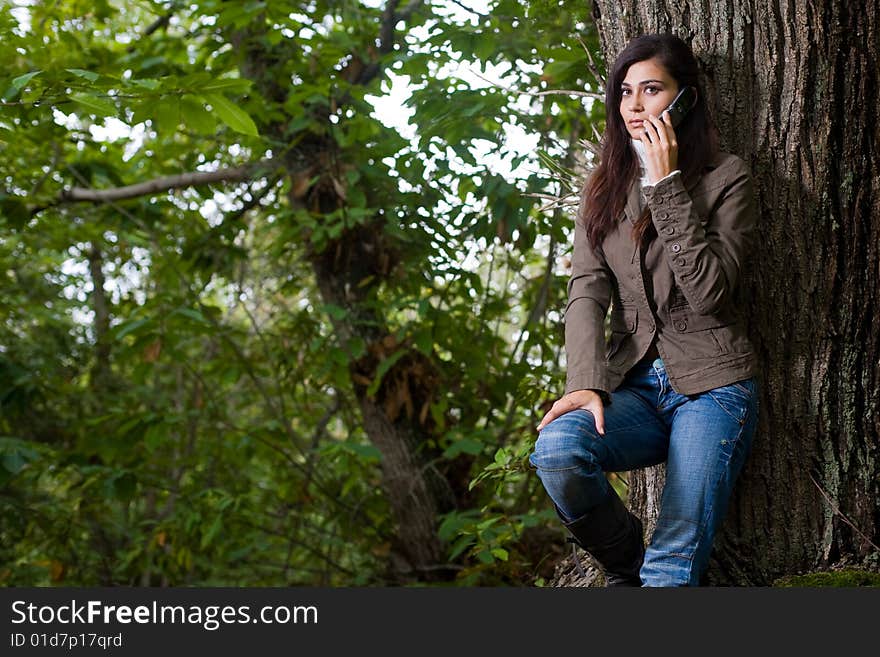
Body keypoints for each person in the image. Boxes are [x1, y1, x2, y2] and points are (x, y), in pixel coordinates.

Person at [529, 33, 760, 587]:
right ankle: (625, 566)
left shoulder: (728, 178)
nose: (634, 106)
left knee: (673, 561)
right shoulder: (604, 187)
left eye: (652, 90)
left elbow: (708, 293)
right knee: (557, 452)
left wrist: (666, 184)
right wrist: (584, 382)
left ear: (686, 99)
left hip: (713, 388)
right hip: (633, 386)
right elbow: (586, 289)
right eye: (625, 92)